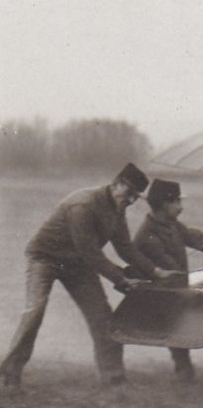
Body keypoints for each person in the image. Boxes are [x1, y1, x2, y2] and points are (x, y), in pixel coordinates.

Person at [1, 164, 175, 388]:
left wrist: (156, 271)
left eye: (135, 197)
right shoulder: (83, 205)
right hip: (45, 258)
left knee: (103, 317)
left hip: (77, 264)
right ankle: (10, 373)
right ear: (117, 184)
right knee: (35, 311)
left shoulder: (118, 209)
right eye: (129, 194)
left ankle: (114, 380)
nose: (131, 201)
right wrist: (121, 279)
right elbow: (90, 253)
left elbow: (125, 247)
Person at [133, 178, 203, 382]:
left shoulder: (172, 225)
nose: (181, 207)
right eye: (177, 202)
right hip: (163, 296)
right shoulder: (147, 236)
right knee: (187, 320)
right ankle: (183, 371)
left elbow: (200, 239)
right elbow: (172, 272)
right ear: (165, 204)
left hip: (178, 289)